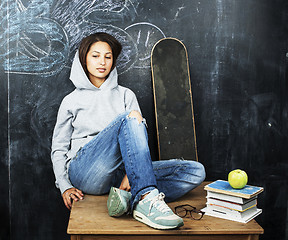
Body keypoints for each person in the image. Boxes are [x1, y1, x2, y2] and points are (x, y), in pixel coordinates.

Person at [51, 32, 206, 230]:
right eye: (95, 56)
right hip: (86, 172)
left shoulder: (125, 94)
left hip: (118, 177)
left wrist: (132, 173)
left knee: (194, 171)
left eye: (108, 57)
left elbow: (137, 139)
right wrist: (65, 186)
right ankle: (146, 199)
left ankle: (128, 198)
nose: (102, 62)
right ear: (84, 59)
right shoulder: (71, 101)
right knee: (131, 117)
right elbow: (58, 149)